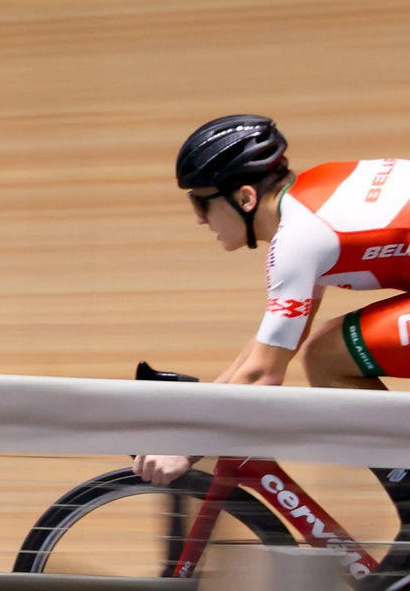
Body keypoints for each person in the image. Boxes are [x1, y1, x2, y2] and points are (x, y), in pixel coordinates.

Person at [134, 115, 404, 487]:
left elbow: (264, 374)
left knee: (326, 355)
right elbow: (272, 345)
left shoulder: (300, 237)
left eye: (201, 204)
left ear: (245, 197)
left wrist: (186, 447)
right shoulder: (310, 206)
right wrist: (197, 412)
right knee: (323, 350)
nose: (199, 220)